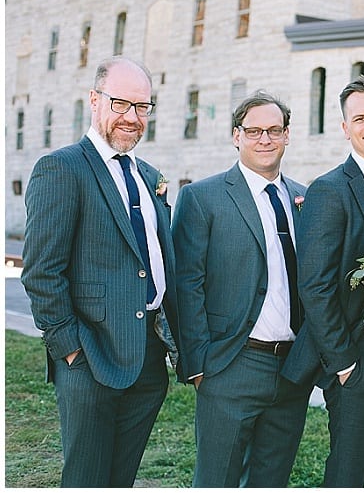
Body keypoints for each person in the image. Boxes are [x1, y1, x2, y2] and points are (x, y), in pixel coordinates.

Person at [20, 56, 180, 487]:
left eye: (142, 107)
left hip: (147, 361)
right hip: (89, 358)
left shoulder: (148, 176)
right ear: (94, 100)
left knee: (119, 480)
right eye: (121, 104)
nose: (132, 117)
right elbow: (41, 271)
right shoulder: (62, 168)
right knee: (87, 480)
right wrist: (69, 348)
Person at [281, 77, 364, 487]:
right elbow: (316, 286)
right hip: (360, 353)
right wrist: (343, 365)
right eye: (360, 118)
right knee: (349, 472)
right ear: (346, 128)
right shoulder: (329, 190)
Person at [172, 91, 312, 487]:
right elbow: (187, 283)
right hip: (231, 364)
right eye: (253, 131)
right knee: (218, 479)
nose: (264, 139)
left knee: (272, 479)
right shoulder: (203, 197)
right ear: (237, 136)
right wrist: (199, 365)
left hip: (291, 368)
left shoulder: (305, 198)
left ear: (287, 135)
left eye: (273, 130)